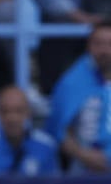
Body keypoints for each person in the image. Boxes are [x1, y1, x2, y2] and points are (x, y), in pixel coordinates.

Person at [46, 19, 111, 174]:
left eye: (109, 44)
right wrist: (84, 155)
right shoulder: (71, 82)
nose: (104, 50)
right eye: (98, 43)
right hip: (83, 165)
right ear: (88, 46)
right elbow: (59, 129)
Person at [0, 85, 61, 176]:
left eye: (18, 111)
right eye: (5, 111)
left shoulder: (46, 146)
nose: (12, 118)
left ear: (28, 113)